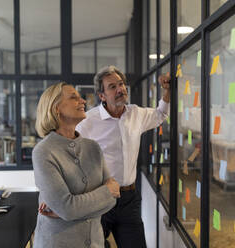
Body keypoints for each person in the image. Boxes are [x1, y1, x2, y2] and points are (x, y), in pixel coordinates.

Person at [76, 65, 171, 247]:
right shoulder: (87, 122)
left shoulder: (135, 113)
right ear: (101, 95)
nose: (120, 89)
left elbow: (160, 114)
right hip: (100, 199)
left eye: (121, 84)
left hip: (129, 199)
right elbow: (70, 153)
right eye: (112, 87)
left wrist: (167, 91)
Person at [32, 82, 120, 248]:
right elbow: (68, 208)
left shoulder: (93, 147)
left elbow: (112, 200)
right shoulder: (43, 152)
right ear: (56, 108)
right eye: (74, 97)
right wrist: (106, 192)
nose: (83, 101)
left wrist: (70, 211)